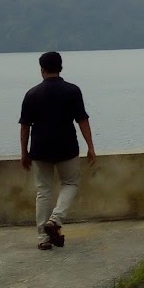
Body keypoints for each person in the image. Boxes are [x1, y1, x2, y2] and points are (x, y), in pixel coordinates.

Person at [19, 51, 96, 251]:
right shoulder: (72, 91)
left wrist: (24, 152)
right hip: (66, 146)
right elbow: (82, 120)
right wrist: (90, 146)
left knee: (43, 190)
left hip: (40, 148)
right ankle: (55, 220)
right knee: (70, 183)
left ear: (42, 69)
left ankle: (43, 239)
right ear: (60, 68)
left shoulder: (32, 93)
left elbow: (25, 126)